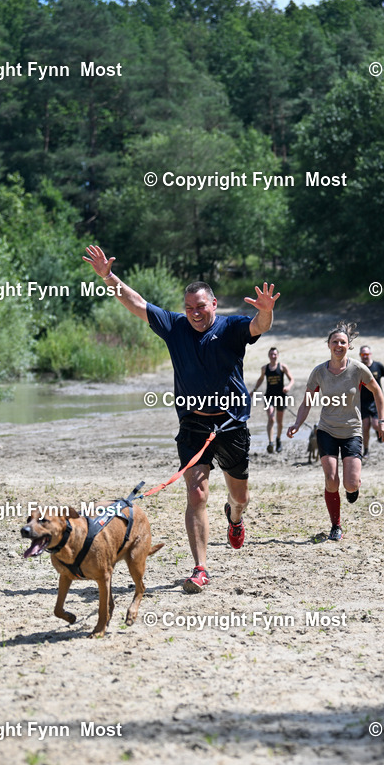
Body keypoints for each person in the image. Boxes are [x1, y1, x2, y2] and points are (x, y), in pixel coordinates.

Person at [83, 245, 280, 592]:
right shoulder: (174, 327)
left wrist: (267, 312)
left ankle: (235, 518)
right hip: (193, 425)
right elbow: (138, 303)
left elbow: (258, 324)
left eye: (201, 306)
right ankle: (200, 568)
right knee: (196, 493)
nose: (194, 313)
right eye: (189, 308)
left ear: (214, 305)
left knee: (241, 497)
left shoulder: (232, 328)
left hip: (231, 425)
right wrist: (107, 277)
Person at [286, 322, 384, 541]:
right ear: (329, 345)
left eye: (343, 342)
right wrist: (296, 423)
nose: (338, 345)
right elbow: (307, 402)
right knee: (331, 480)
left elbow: (378, 393)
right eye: (335, 342)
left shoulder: (358, 369)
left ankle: (354, 487)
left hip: (352, 431)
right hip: (327, 430)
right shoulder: (319, 372)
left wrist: (383, 421)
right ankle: (336, 526)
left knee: (350, 483)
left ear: (349, 345)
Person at [358, 344, 384, 458]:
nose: (365, 356)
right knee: (365, 426)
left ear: (370, 354)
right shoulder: (358, 367)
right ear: (360, 355)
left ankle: (378, 432)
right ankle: (366, 451)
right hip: (362, 402)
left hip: (376, 401)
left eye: (367, 354)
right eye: (363, 354)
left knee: (376, 425)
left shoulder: (377, 366)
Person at [252, 347, 294, 452]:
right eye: (271, 354)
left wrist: (288, 387)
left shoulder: (283, 367)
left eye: (275, 354)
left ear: (278, 356)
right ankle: (270, 443)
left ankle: (278, 440)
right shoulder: (264, 368)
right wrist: (254, 390)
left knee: (279, 421)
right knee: (271, 418)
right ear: (269, 356)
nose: (273, 356)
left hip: (281, 397)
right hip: (269, 397)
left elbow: (292, 379)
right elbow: (261, 379)